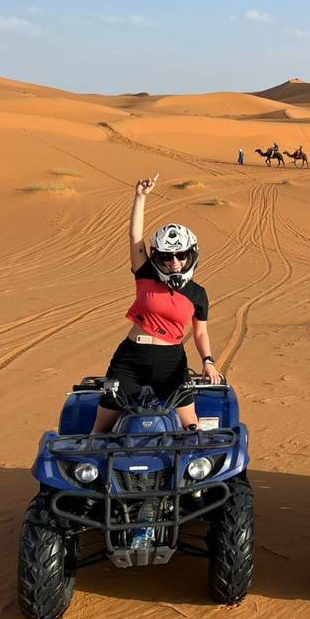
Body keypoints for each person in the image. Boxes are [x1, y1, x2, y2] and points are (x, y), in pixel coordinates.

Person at [91, 174, 222, 434]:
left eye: (180, 255)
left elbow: (201, 332)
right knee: (100, 429)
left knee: (191, 427)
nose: (174, 261)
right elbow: (135, 237)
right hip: (130, 359)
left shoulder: (197, 294)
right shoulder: (146, 274)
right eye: (167, 255)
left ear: (190, 255)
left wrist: (208, 361)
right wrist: (140, 197)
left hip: (170, 362)